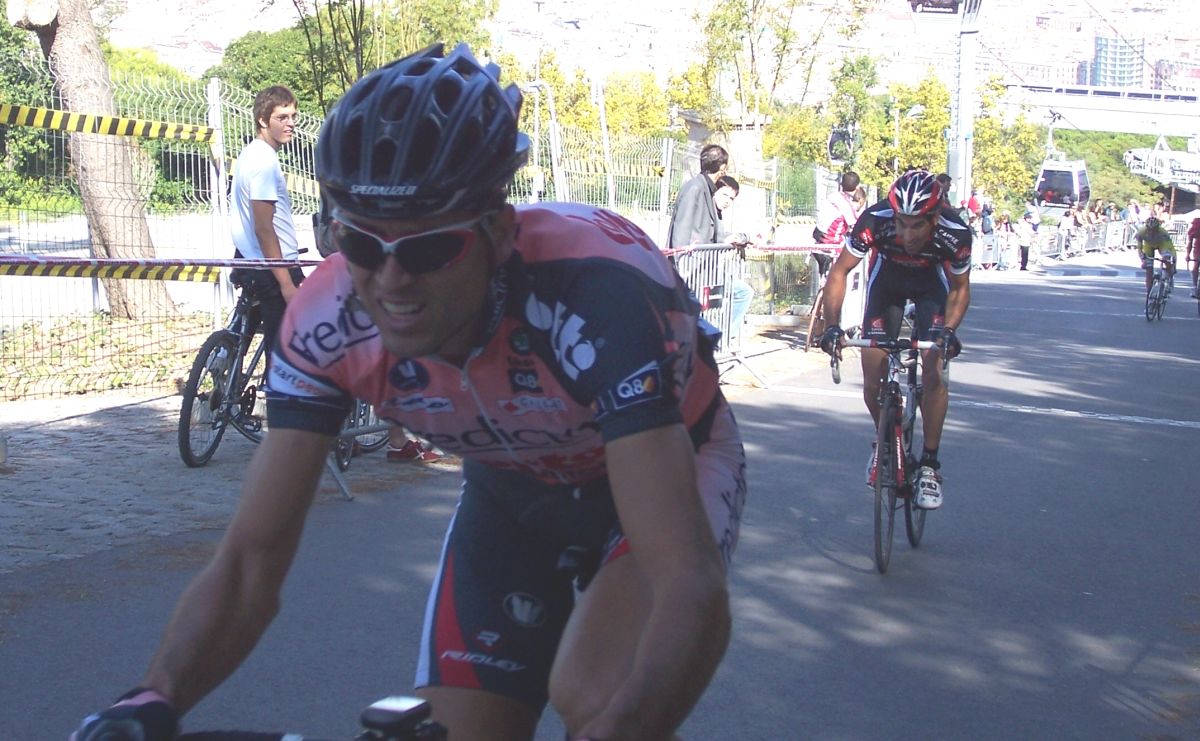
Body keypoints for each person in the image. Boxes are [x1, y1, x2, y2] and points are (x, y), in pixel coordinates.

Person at [72, 43, 746, 741]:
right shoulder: (329, 320)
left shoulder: (595, 295)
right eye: (361, 245)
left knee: (599, 691)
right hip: (512, 486)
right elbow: (249, 563)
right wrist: (152, 700)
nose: (391, 280)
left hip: (662, 463)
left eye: (429, 249)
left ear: (499, 234)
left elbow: (687, 585)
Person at [819, 169, 971, 510]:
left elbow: (960, 289)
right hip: (887, 282)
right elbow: (839, 272)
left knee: (934, 372)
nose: (907, 234)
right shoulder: (875, 220)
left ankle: (929, 465)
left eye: (916, 226)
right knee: (872, 375)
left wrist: (948, 332)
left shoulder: (956, 232)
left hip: (931, 286)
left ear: (934, 219)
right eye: (901, 223)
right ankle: (886, 442)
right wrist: (832, 326)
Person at [228, 85, 305, 364]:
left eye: (293, 116)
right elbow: (263, 227)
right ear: (263, 120)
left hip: (253, 260)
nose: (290, 123)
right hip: (275, 266)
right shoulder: (264, 162)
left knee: (249, 328)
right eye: (281, 117)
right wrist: (285, 283)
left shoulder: (251, 153)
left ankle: (225, 362)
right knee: (286, 353)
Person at [713, 174, 755, 345]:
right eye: (724, 195)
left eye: (731, 198)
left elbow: (723, 235)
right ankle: (721, 337)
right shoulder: (707, 211)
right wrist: (725, 241)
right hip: (701, 270)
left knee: (744, 292)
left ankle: (725, 335)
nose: (727, 201)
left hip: (713, 270)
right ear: (715, 191)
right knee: (742, 293)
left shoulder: (718, 214)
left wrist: (743, 238)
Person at [666, 142, 728, 249]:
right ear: (722, 167)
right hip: (689, 258)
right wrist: (681, 256)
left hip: (700, 258)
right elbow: (681, 231)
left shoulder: (707, 188)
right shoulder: (695, 188)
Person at [813, 170, 862, 245]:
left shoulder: (832, 196)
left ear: (841, 184)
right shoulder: (847, 205)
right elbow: (857, 225)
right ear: (857, 187)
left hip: (818, 234)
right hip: (831, 240)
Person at [1136, 215, 1177, 295]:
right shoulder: (1141, 232)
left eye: (1154, 229)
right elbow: (1139, 248)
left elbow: (1170, 247)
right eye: (1149, 229)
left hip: (1162, 244)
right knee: (1149, 269)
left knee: (1167, 259)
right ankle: (1149, 291)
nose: (1152, 231)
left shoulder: (1163, 232)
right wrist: (1142, 258)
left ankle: (1169, 276)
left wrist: (1172, 259)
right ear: (1146, 228)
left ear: (1158, 228)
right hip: (1149, 246)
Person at [1187, 217, 1200, 297]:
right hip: (1198, 249)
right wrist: (1188, 254)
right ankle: (1195, 286)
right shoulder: (1194, 228)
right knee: (1196, 266)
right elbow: (1190, 242)